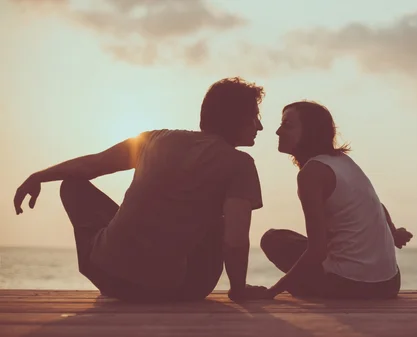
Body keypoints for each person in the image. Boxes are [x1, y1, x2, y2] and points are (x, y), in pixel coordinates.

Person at [13, 77, 270, 302]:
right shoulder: (240, 164)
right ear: (235, 118)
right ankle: (151, 271)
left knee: (73, 185)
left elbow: (92, 164)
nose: (259, 126)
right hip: (174, 290)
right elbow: (234, 241)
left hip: (107, 276)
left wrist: (39, 176)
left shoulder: (154, 139)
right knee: (224, 219)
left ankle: (115, 261)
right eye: (254, 116)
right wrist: (238, 290)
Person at [261, 101, 413, 300]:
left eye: (287, 125)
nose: (278, 131)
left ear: (310, 131)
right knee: (292, 242)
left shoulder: (312, 173)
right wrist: (392, 232)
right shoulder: (343, 161)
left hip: (348, 285)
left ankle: (312, 290)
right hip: (389, 283)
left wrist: (270, 292)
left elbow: (317, 250)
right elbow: (376, 204)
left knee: (273, 239)